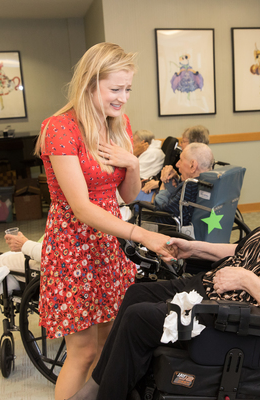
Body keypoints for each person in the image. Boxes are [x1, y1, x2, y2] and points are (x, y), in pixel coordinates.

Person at [68, 131, 260, 400]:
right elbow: (248, 251)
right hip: (223, 293)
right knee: (137, 294)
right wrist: (195, 247)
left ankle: (101, 394)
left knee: (139, 318)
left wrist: (247, 280)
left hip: (254, 326)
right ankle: (100, 387)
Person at [34, 42, 175, 400]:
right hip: (73, 247)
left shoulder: (118, 123)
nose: (123, 98)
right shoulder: (60, 128)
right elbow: (80, 208)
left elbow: (128, 196)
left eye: (127, 89)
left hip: (106, 244)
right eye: (115, 89)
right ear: (89, 83)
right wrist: (142, 235)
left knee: (109, 347)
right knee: (83, 353)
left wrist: (131, 163)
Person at [153, 142, 213, 227]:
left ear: (193, 165)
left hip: (168, 227)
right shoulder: (208, 182)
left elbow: (162, 210)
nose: (177, 164)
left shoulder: (190, 186)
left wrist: (163, 187)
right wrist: (176, 179)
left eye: (181, 160)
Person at [141, 125, 209, 193]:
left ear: (194, 143)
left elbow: (186, 187)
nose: (180, 144)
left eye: (183, 141)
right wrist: (176, 177)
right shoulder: (202, 159)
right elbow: (182, 181)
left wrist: (159, 184)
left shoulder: (194, 163)